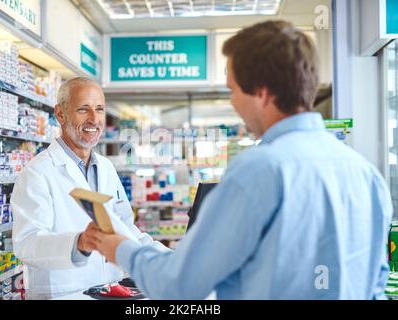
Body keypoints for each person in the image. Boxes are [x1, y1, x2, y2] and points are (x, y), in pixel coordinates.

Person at [92, 21, 393, 299]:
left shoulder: (258, 170)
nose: (232, 102)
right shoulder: (366, 174)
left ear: (261, 93)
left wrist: (121, 249)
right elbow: (376, 283)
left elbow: (181, 284)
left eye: (233, 90)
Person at [11, 77, 166, 300]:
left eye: (100, 109)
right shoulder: (37, 172)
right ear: (61, 114)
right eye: (83, 109)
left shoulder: (106, 168)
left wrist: (171, 259)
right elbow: (27, 244)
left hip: (109, 291)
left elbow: (127, 231)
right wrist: (79, 243)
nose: (94, 119)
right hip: (63, 294)